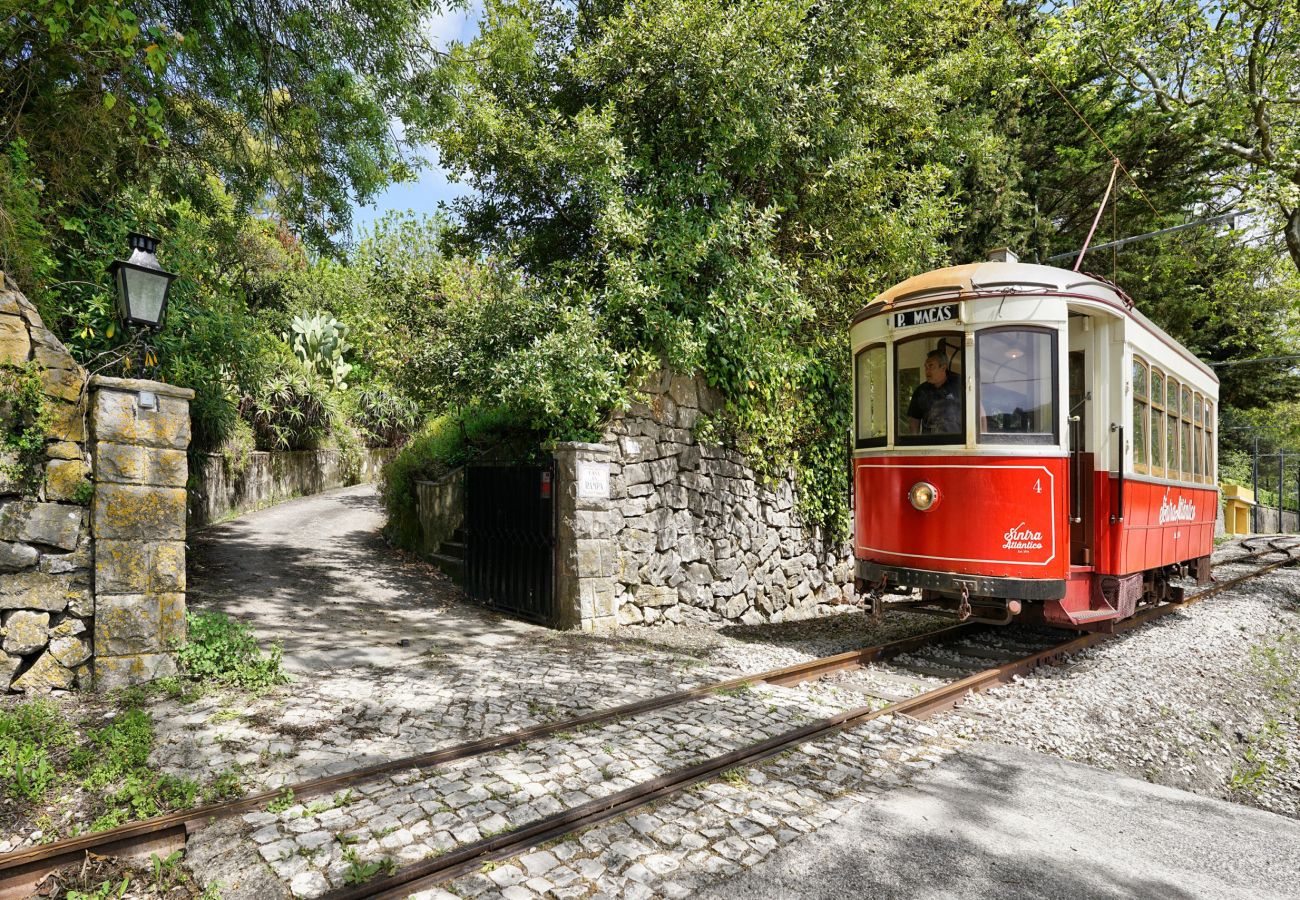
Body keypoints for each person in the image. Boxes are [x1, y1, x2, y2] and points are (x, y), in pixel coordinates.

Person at [907, 348, 962, 435]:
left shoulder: (960, 385)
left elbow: (979, 413)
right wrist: (915, 443)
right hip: (929, 444)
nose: (927, 371)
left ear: (943, 368)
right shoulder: (921, 391)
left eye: (931, 366)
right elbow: (914, 420)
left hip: (957, 445)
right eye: (926, 367)